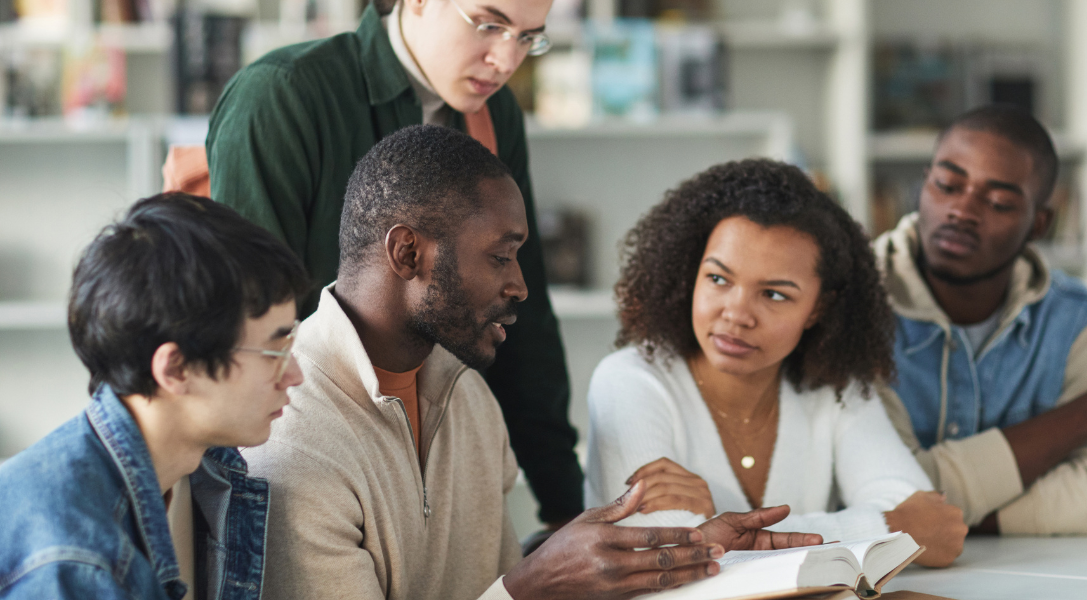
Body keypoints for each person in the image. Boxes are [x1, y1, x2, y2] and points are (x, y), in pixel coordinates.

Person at [242, 125, 823, 600]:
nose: (520, 286)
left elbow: (484, 591)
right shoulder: (290, 439)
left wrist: (680, 552)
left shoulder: (464, 391)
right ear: (407, 252)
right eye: (500, 257)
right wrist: (531, 588)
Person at [206, 0, 583, 529]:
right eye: (489, 24)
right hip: (303, 457)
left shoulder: (494, 114)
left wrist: (567, 508)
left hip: (436, 446)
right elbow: (246, 331)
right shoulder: (283, 94)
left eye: (528, 37)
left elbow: (526, 312)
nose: (505, 60)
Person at [585, 159, 969, 568]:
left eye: (774, 294)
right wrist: (882, 526)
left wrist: (721, 526)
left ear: (818, 308)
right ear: (689, 272)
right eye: (718, 279)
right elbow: (671, 557)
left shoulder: (833, 387)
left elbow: (934, 530)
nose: (737, 314)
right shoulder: (629, 380)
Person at [873, 105, 1087, 535]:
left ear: (1039, 223)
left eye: (998, 202)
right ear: (924, 183)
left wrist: (945, 518)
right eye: (947, 185)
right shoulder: (854, 303)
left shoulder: (1077, 320)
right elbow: (888, 495)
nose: (962, 210)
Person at [0, 193, 309, 599]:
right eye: (275, 351)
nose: (296, 375)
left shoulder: (209, 470)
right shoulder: (75, 561)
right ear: (175, 369)